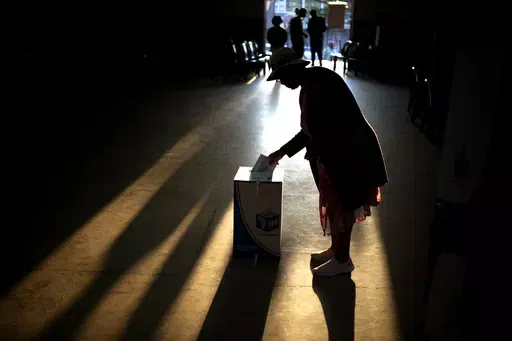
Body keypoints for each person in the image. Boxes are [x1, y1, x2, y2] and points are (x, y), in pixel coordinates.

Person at [266, 48, 388, 276]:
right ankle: (336, 250)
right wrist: (282, 151)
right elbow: (310, 131)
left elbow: (327, 134)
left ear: (293, 69)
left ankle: (343, 260)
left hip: (349, 154)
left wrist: (327, 166)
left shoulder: (319, 87)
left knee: (344, 206)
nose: (281, 83)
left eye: (281, 77)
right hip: (337, 153)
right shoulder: (311, 83)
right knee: (336, 205)